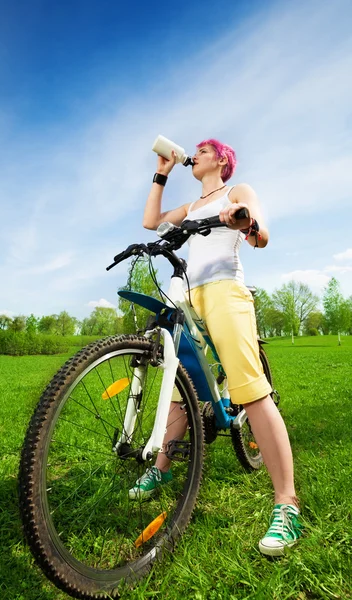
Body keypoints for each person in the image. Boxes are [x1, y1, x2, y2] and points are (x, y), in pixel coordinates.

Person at [128, 138, 302, 557]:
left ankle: (287, 503)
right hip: (189, 294)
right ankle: (161, 469)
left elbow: (260, 233)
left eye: (205, 149)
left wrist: (241, 220)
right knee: (177, 383)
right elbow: (151, 221)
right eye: (197, 151)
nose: (197, 153)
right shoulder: (190, 208)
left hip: (225, 289)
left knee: (250, 389)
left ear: (222, 160)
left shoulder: (235, 190)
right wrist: (162, 173)